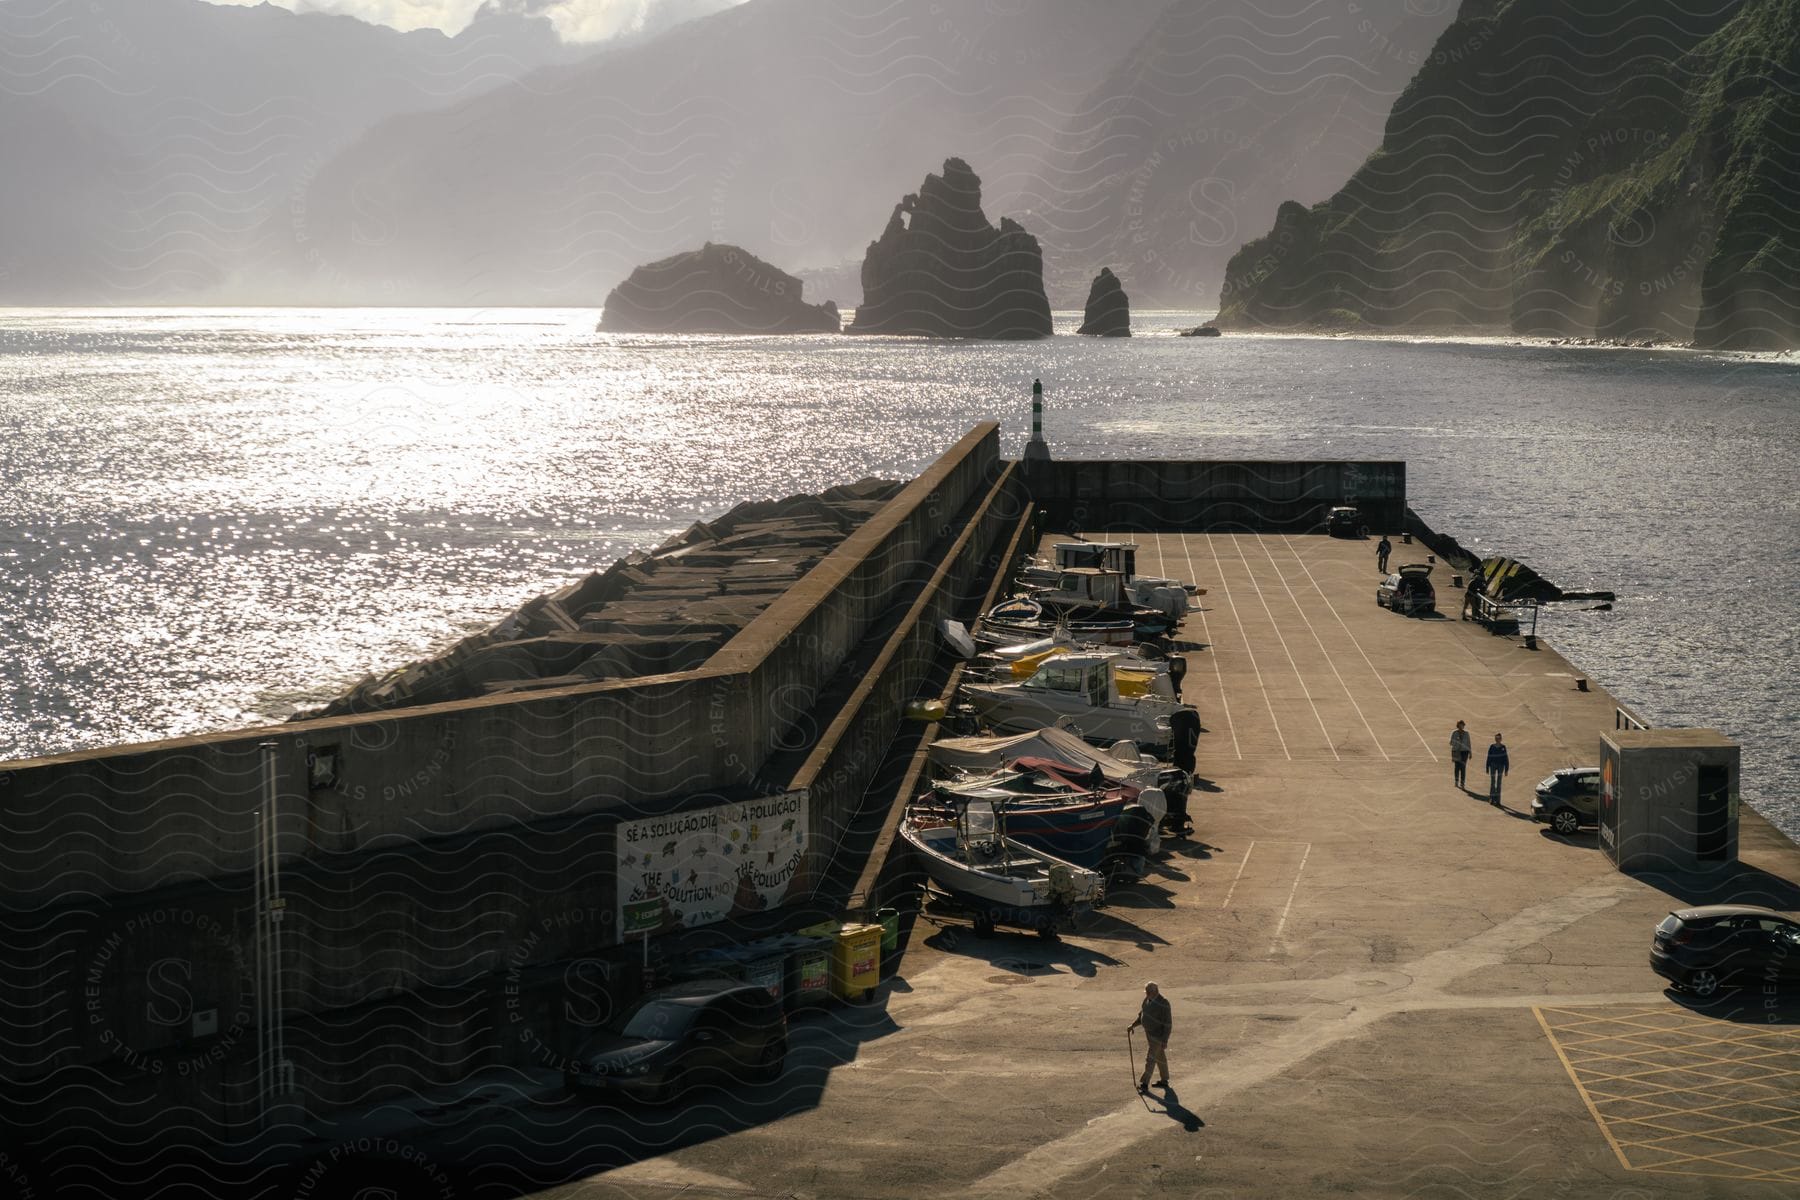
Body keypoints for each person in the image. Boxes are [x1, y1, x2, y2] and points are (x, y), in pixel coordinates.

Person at [1126, 980, 1173, 1092]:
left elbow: (1168, 1024)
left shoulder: (1164, 1003)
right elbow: (1142, 1016)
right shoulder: (1147, 1000)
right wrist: (1133, 1025)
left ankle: (1144, 1083)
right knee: (1159, 1057)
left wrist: (1165, 1040)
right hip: (1149, 1035)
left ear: (1155, 991)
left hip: (1158, 1036)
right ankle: (1164, 1080)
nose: (1146, 994)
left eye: (1148, 992)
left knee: (1151, 1058)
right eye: (1146, 992)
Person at [1486, 733, 1509, 806]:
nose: (1497, 740)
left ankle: (1498, 800)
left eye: (1499, 738)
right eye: (1496, 738)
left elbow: (1506, 758)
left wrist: (1506, 769)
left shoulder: (1503, 747)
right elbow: (1489, 757)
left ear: (1501, 739)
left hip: (1501, 766)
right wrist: (1487, 767)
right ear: (1495, 739)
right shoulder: (1492, 747)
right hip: (1492, 765)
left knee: (1499, 783)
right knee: (1493, 782)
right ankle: (1492, 799)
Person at [1449, 720, 1472, 788]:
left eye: (1463, 725)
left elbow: (1469, 743)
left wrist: (1470, 752)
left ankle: (1462, 783)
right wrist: (1457, 741)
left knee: (1463, 768)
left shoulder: (1466, 733)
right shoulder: (1454, 733)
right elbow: (1451, 743)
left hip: (1465, 752)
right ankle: (1456, 781)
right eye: (1460, 725)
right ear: (1458, 725)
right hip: (1456, 752)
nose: (1462, 726)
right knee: (1457, 767)